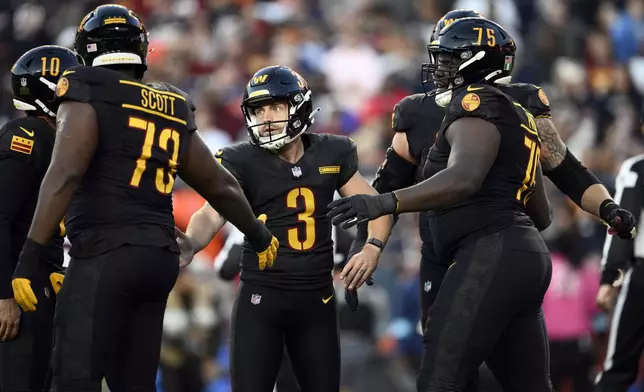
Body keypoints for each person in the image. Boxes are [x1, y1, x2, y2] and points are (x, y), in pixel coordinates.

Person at [10, 4, 278, 392]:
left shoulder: (87, 88)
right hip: (158, 259)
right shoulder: (171, 102)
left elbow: (64, 173)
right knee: (135, 384)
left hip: (105, 253)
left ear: (88, 49)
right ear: (140, 49)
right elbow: (217, 183)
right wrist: (257, 234)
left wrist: (30, 255)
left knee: (73, 379)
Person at [329, 17, 554, 391]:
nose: (438, 68)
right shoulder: (518, 114)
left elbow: (463, 179)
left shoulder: (476, 101)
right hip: (520, 252)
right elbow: (541, 213)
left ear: (477, 62)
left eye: (448, 59)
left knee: (440, 376)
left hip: (491, 250)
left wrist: (385, 203)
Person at [176, 65, 394, 392]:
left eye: (275, 106)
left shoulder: (333, 151)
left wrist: (373, 247)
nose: (266, 117)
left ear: (300, 106)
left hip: (316, 300)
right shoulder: (241, 160)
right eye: (258, 109)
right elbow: (211, 213)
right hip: (260, 298)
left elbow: (377, 206)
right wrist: (192, 243)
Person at [0, 45, 81, 392]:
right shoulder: (27, 136)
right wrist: (3, 295)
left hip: (41, 281)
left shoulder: (59, 139)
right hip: (18, 289)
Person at [594, 153, 644, 391]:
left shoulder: (638, 168)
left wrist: (609, 277)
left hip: (642, 277)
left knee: (618, 370)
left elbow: (623, 223)